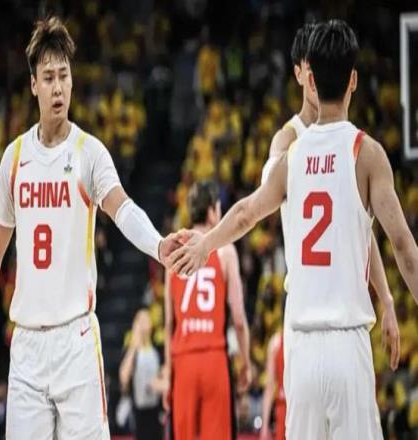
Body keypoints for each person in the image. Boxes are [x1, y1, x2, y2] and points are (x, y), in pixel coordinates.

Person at [168, 20, 418, 440]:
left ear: (311, 79)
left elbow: (246, 212)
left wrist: (205, 243)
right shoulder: (367, 153)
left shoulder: (292, 155)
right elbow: (404, 249)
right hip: (346, 342)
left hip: (300, 348)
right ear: (354, 81)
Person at [0, 16, 180, 439]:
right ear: (33, 85)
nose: (58, 87)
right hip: (27, 344)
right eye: (48, 78)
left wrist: (158, 245)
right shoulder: (14, 158)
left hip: (75, 340)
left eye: (64, 76)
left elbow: (122, 208)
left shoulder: (89, 152)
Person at [260, 22, 400, 440]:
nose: (311, 74)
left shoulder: (338, 142)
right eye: (306, 66)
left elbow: (358, 229)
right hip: (305, 313)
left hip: (332, 315)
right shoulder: (287, 142)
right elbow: (257, 208)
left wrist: (386, 298)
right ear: (300, 74)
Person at [164, 180, 251, 440]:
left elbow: (169, 324)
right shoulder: (225, 251)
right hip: (214, 358)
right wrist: (245, 362)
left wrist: (169, 373)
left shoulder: (174, 252)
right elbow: (239, 319)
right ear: (212, 212)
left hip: (183, 360)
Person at [119, 309, 163, 440]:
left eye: (146, 319)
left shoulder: (157, 349)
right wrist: (134, 345)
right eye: (140, 320)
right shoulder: (131, 351)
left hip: (156, 413)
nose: (144, 323)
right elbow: (124, 377)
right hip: (138, 414)